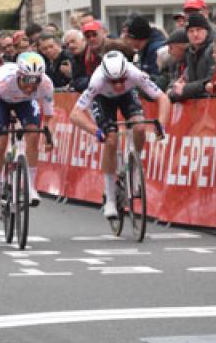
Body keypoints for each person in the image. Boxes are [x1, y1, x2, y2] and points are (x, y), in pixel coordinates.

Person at [69, 51, 170, 219]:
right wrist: (96, 131)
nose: (117, 85)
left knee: (139, 127)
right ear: (105, 77)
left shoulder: (134, 73)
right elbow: (75, 114)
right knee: (111, 139)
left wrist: (161, 124)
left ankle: (134, 167)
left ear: (126, 74)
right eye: (113, 81)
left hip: (127, 96)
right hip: (102, 99)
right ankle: (110, 198)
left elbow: (163, 98)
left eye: (122, 80)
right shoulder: (97, 81)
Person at [0, 52, 55, 220]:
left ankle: (30, 187)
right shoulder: (3, 83)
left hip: (25, 103)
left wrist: (48, 136)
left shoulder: (46, 84)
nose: (30, 87)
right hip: (2, 103)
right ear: (19, 75)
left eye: (35, 81)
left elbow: (48, 116)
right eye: (27, 80)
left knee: (33, 134)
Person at [168, 13, 215, 103]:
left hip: (213, 103)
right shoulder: (190, 52)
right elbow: (183, 79)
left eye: (199, 30)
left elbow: (212, 80)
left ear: (207, 30)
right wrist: (172, 90)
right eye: (191, 31)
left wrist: (185, 89)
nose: (195, 34)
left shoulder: (214, 49)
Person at [121, 15, 166, 80]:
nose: (129, 41)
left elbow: (158, 79)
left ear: (136, 38)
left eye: (129, 38)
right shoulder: (143, 48)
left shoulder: (156, 50)